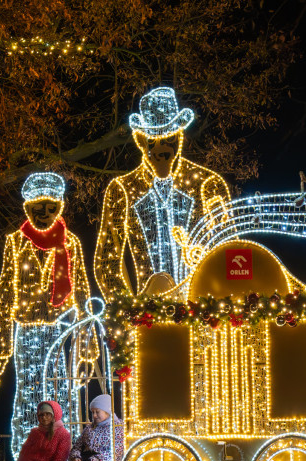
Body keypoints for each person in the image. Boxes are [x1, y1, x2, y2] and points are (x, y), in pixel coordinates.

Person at [0, 171, 92, 461]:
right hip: (28, 332)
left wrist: (85, 351)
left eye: (50, 208)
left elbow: (83, 296)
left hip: (62, 331)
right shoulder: (15, 243)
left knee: (63, 405)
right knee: (27, 403)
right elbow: (5, 295)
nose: (44, 214)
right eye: (37, 209)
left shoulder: (70, 244)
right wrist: (0, 351)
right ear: (28, 209)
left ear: (59, 207)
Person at [95, 86, 232, 300]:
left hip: (201, 307)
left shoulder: (207, 183)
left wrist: (219, 303)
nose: (162, 148)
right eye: (153, 141)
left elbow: (228, 249)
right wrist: (127, 310)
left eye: (169, 139)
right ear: (141, 142)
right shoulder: (123, 189)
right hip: (149, 312)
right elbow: (107, 262)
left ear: (180, 136)